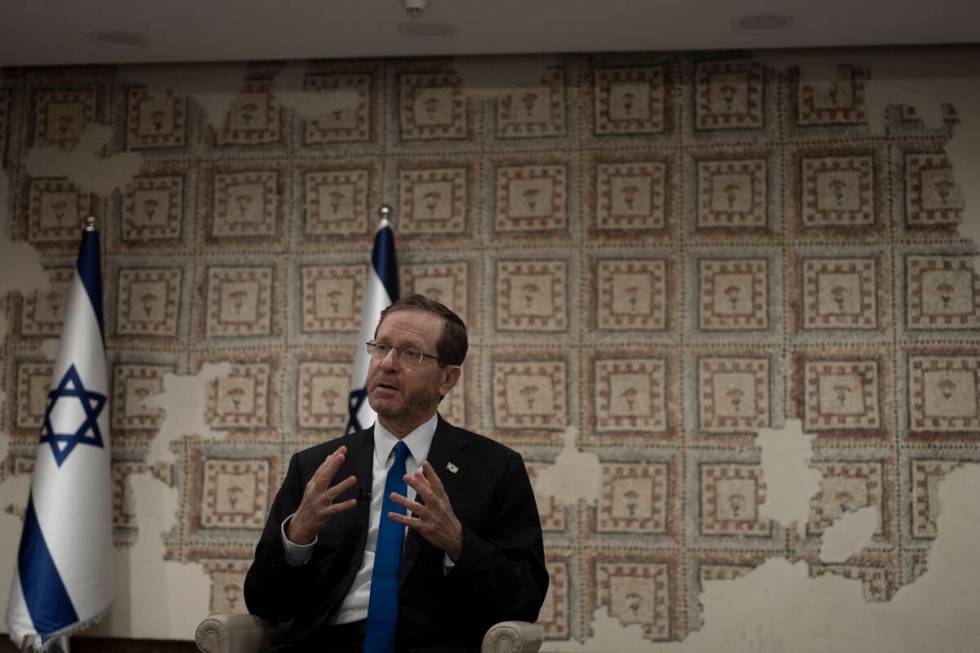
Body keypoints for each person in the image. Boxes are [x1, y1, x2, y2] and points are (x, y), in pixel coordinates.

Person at [244, 294, 549, 653]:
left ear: (447, 378)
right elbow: (264, 604)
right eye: (381, 347)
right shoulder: (317, 467)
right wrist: (296, 539)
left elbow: (525, 597)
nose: (387, 364)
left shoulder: (495, 468)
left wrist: (458, 542)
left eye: (410, 353)